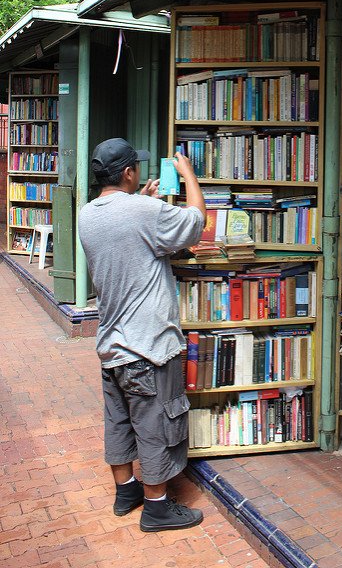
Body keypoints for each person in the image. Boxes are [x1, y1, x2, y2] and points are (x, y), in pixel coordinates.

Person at [78, 137, 206, 533]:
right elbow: (195, 223)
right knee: (154, 425)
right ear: (130, 172)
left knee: (118, 422)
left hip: (111, 345)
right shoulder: (143, 211)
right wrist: (189, 178)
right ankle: (157, 507)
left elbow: (130, 239)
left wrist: (146, 201)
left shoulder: (87, 213)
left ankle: (126, 492)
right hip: (148, 346)